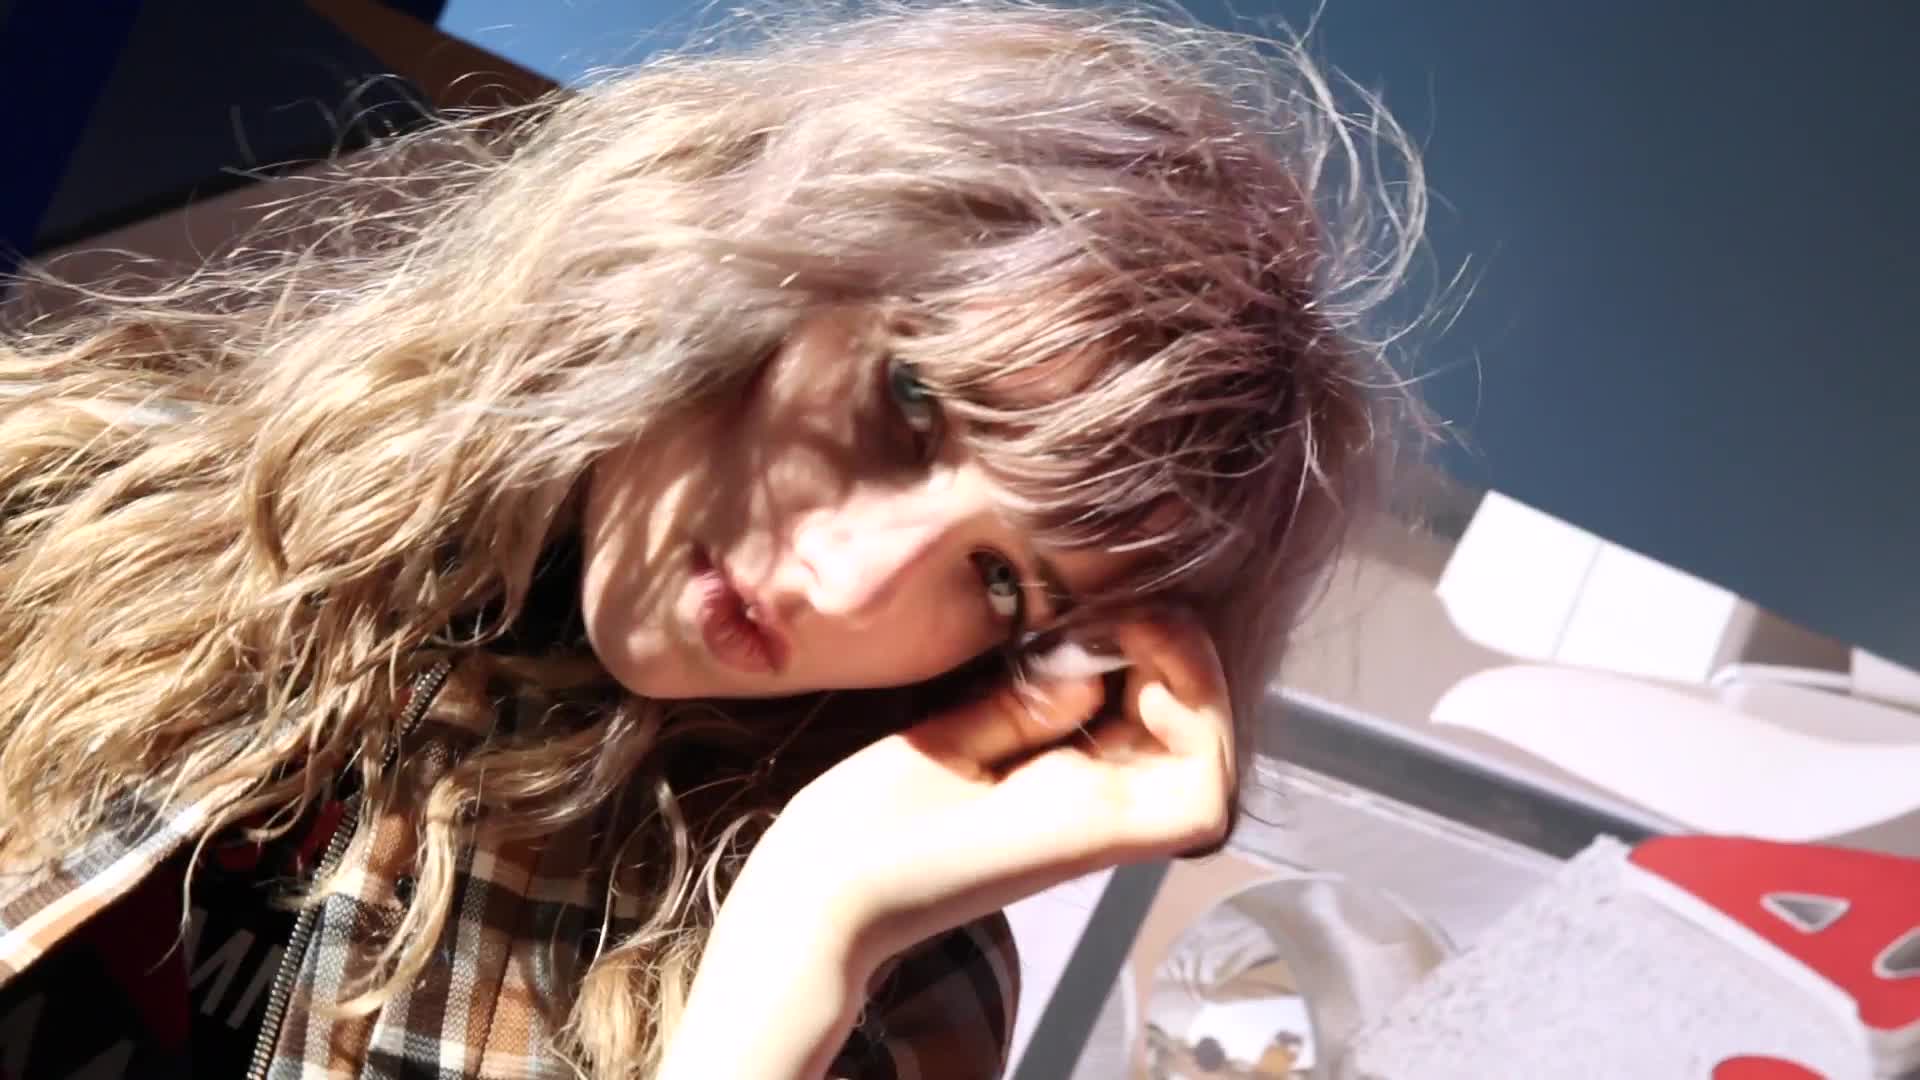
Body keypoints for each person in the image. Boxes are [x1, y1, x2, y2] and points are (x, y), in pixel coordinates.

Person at [0, 4, 1422, 1077]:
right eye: (910, 402)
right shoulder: (98, 491)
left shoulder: (894, 997)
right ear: (770, 255)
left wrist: (806, 937)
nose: (847, 578)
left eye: (1001, 581)